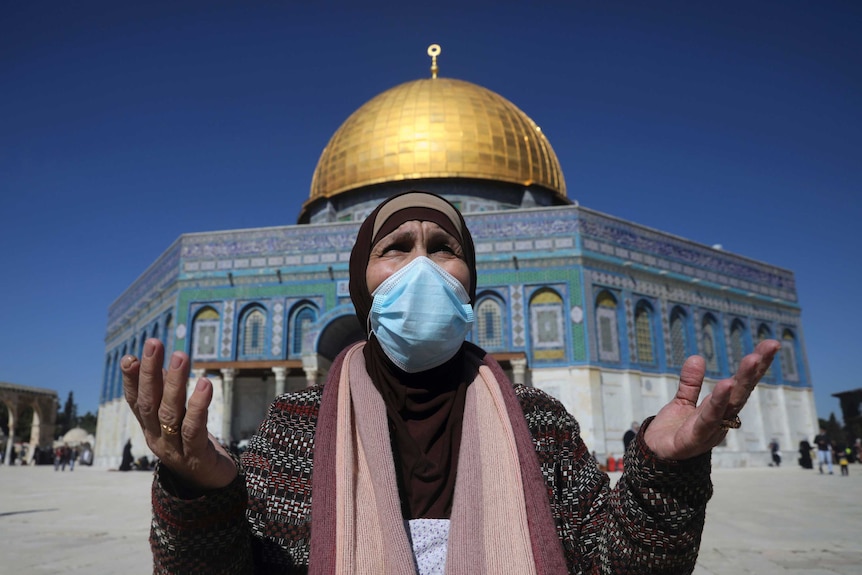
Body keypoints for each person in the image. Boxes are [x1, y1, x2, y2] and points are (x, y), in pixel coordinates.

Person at [122, 191, 780, 574]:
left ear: (473, 278)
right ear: (361, 281)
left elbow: (619, 566)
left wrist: (661, 474)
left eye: (443, 246)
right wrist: (198, 490)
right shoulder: (298, 424)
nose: (421, 268)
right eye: (396, 247)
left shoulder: (539, 423)